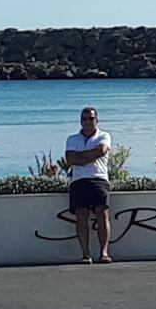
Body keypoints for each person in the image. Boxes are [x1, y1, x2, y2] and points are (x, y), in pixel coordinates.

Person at [65, 107, 112, 264]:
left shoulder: (104, 136)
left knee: (102, 214)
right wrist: (91, 155)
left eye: (91, 118)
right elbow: (71, 160)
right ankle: (86, 254)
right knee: (81, 216)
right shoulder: (72, 139)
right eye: (84, 119)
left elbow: (102, 150)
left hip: (99, 179)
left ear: (96, 120)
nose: (87, 122)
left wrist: (81, 157)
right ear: (81, 121)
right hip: (79, 181)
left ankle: (104, 253)